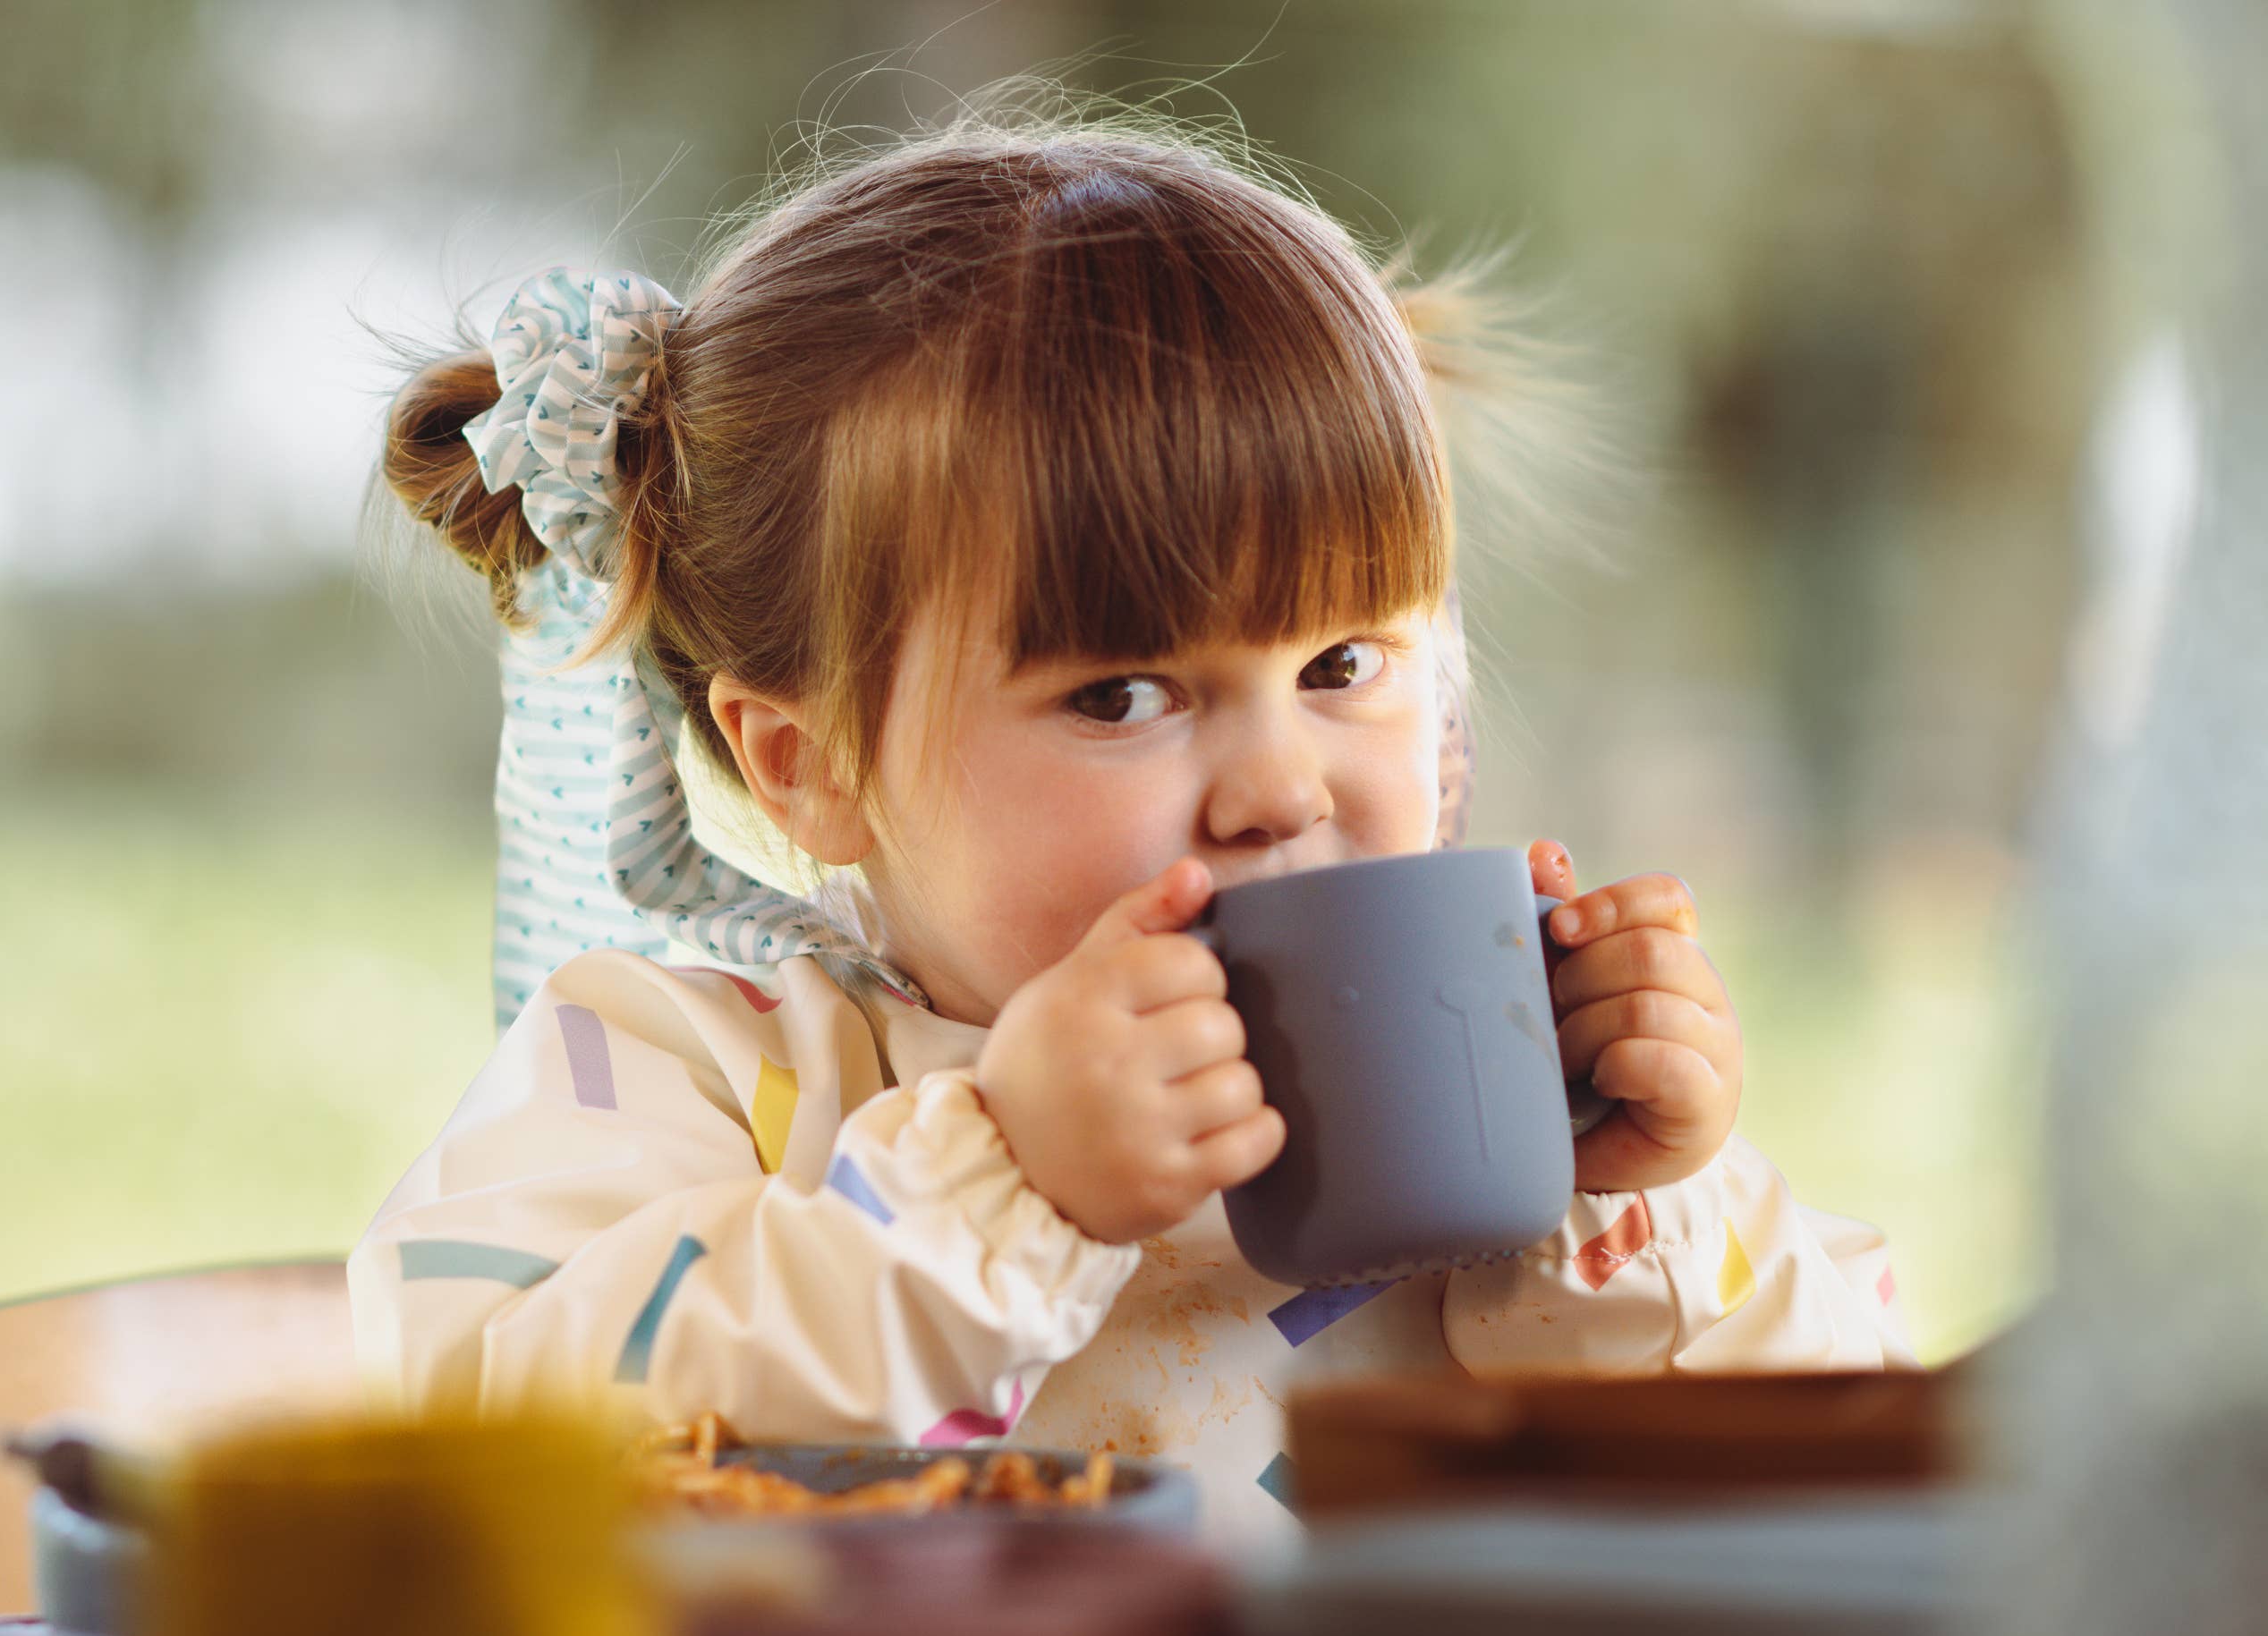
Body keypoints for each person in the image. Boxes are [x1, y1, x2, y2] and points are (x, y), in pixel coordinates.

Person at [351, 111, 1913, 1539]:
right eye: (1122, 696)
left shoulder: (1482, 1098)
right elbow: (485, 1446)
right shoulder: (701, 1076)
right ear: (804, 760)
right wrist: (1002, 1182)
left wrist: (1646, 1205)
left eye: (1343, 665)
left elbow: (1857, 1506)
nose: (1282, 788)